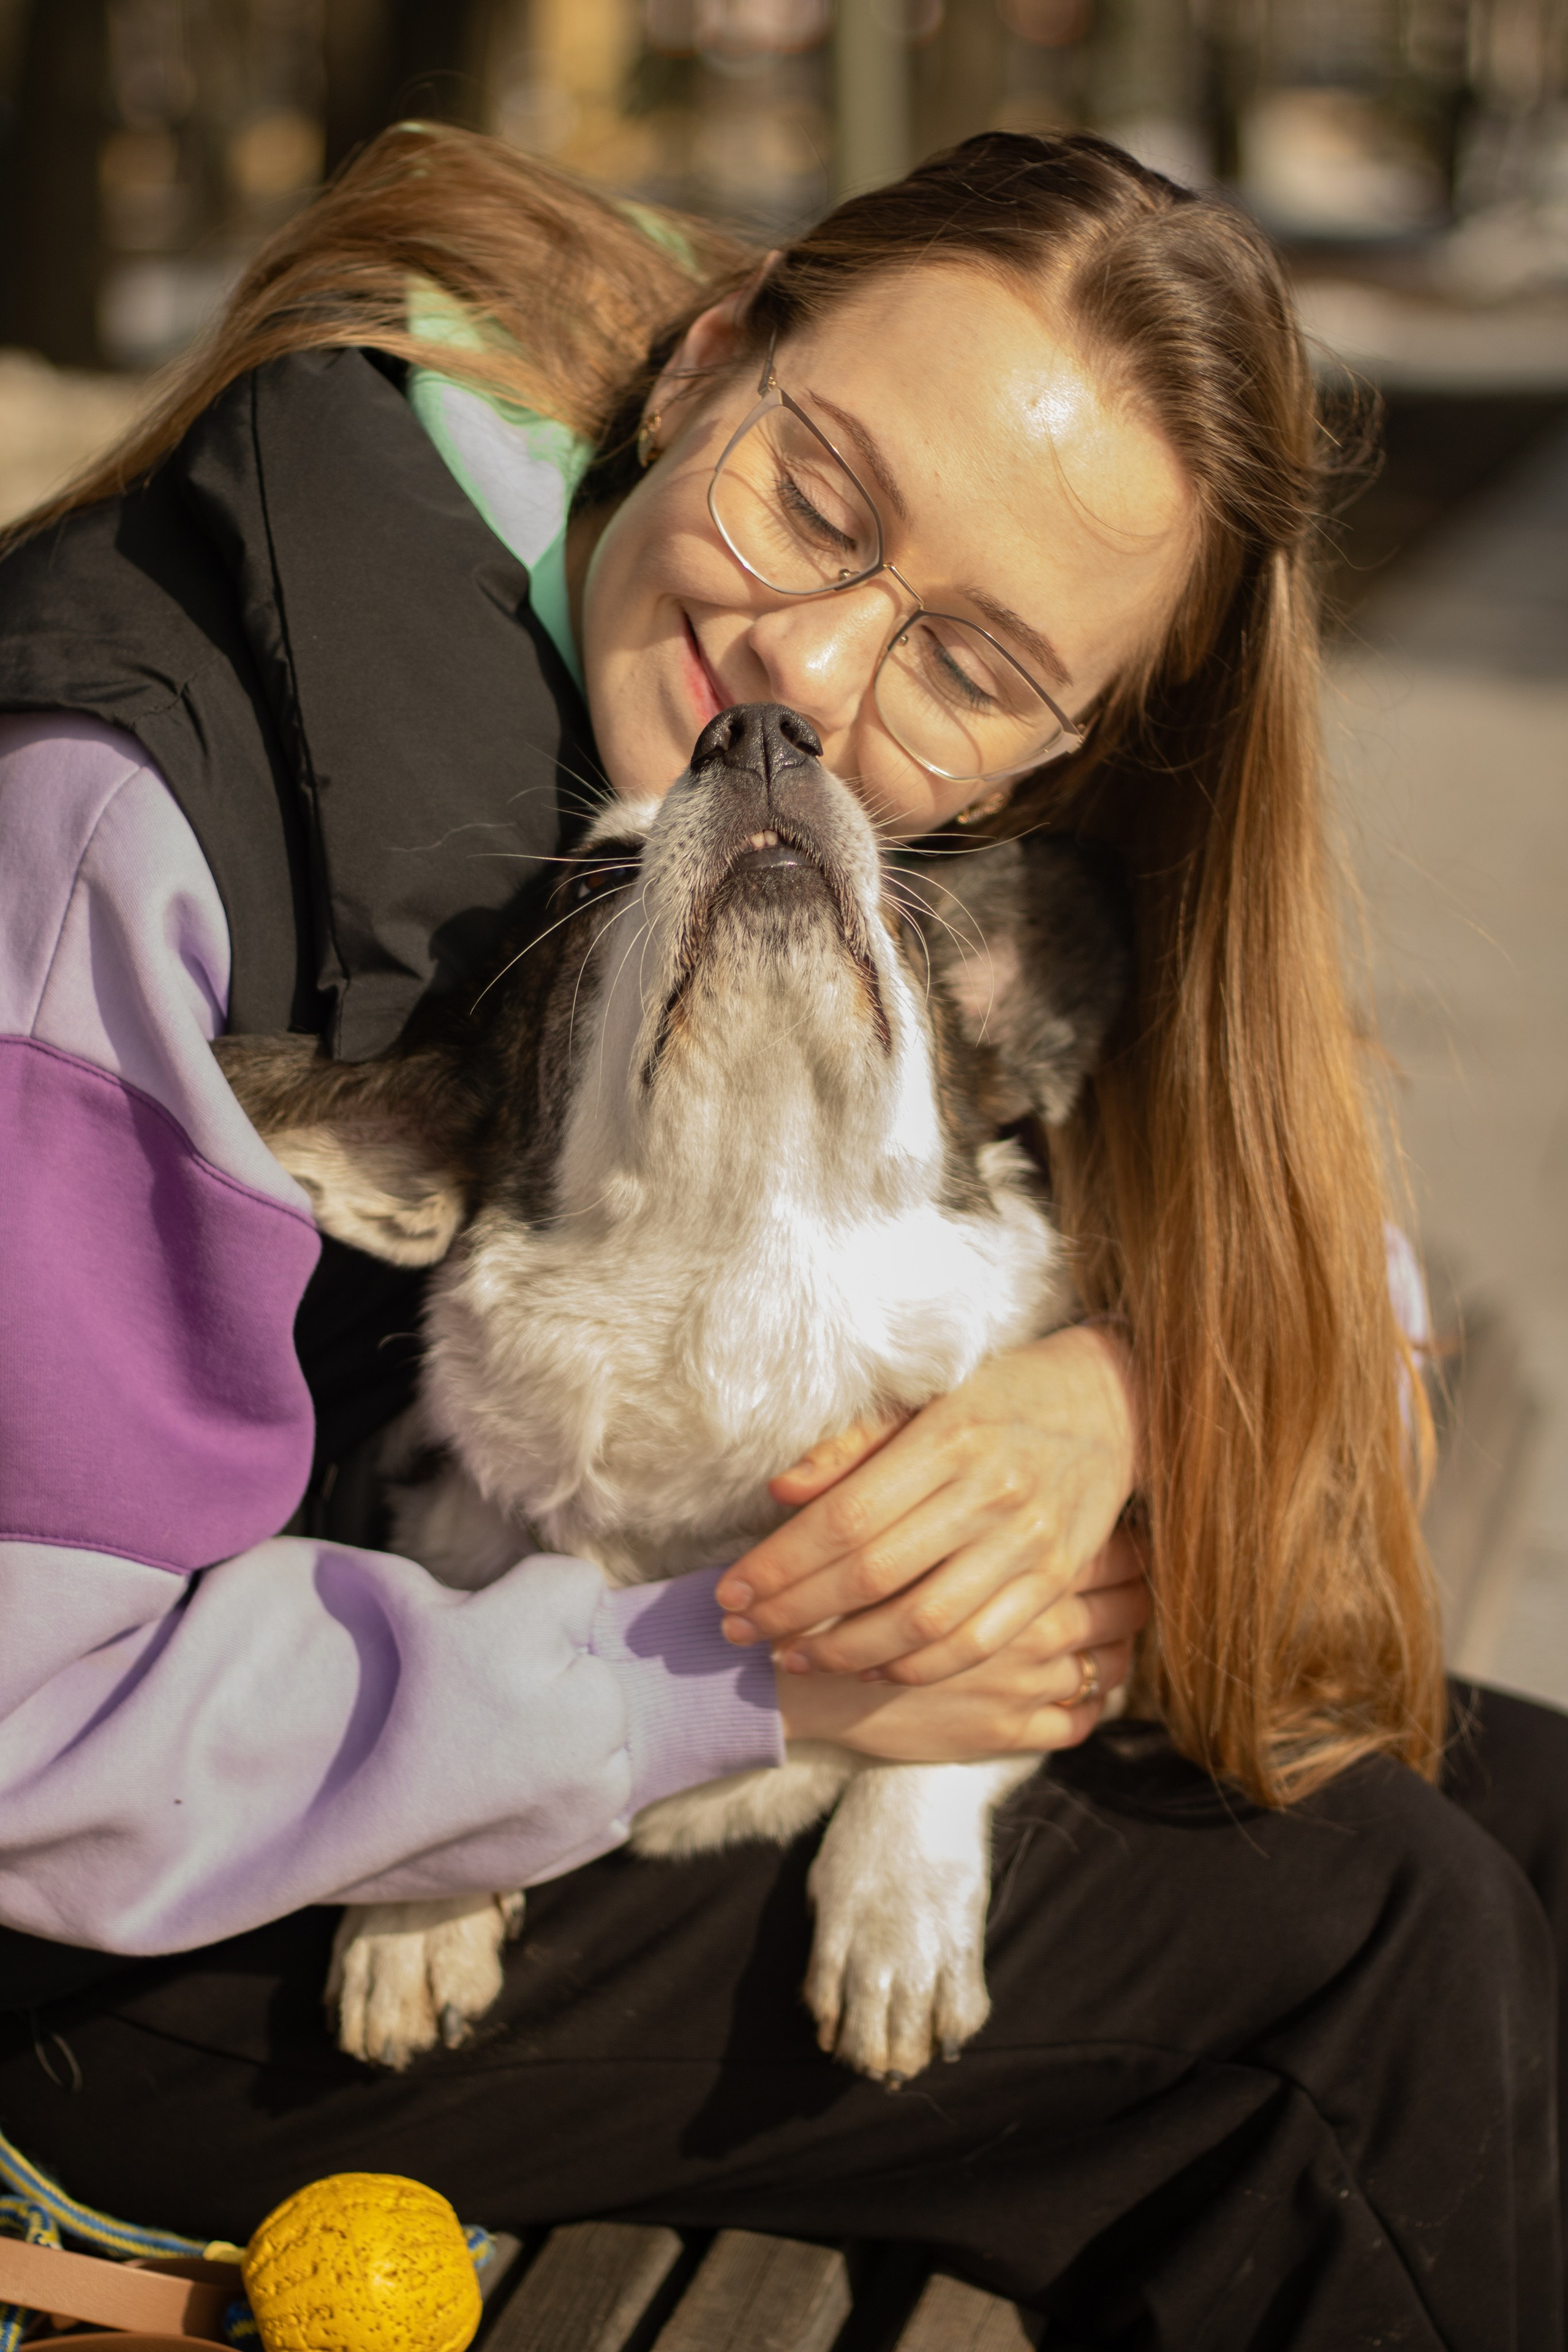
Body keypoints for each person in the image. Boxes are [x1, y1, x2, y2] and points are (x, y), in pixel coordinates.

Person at [0, 124, 1561, 2347]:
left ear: (1048, 759)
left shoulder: (816, 806)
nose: (808, 683)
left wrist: (1106, 1406)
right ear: (709, 361)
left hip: (532, 1711)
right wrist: (760, 1670)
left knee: (1533, 1820)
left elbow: (1317, 1269)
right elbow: (26, 1732)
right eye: (818, 500)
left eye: (974, 667)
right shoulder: (118, 823)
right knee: (1373, 1969)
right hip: (134, 1953)